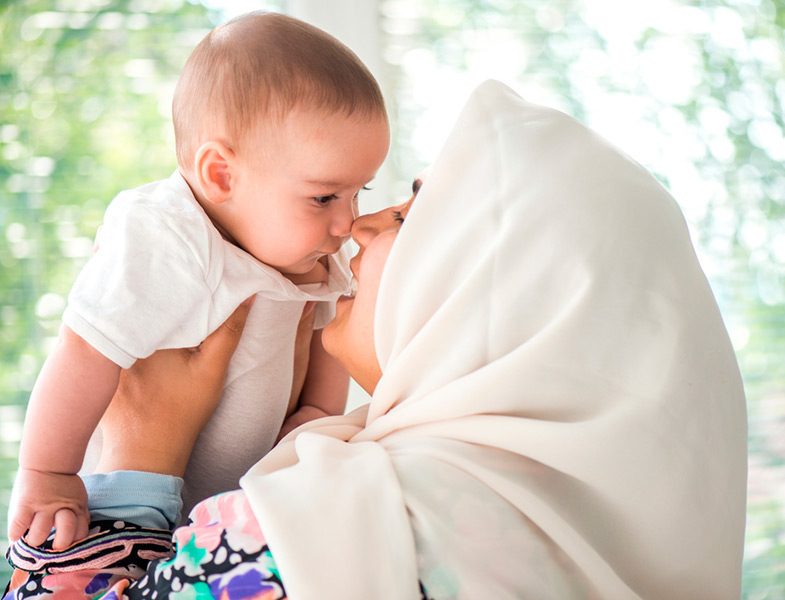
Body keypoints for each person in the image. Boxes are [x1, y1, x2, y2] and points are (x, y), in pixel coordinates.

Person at [4, 80, 747, 599]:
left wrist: (142, 455)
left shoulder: (338, 531)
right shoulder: (569, 538)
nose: (354, 225)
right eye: (331, 197)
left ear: (479, 284)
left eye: (404, 215)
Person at [8, 10, 390, 553]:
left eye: (360, 193)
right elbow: (84, 350)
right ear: (220, 175)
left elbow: (322, 376)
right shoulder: (168, 233)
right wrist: (48, 472)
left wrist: (308, 429)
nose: (346, 220)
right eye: (325, 196)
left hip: (226, 521)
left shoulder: (315, 253)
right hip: (121, 500)